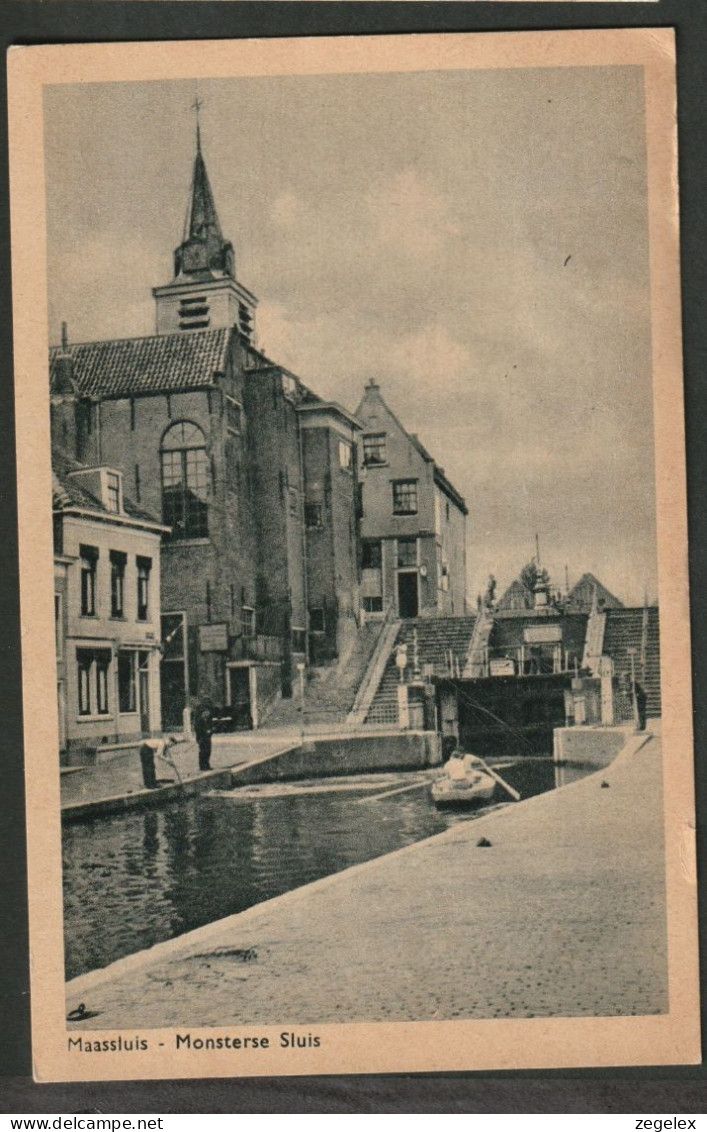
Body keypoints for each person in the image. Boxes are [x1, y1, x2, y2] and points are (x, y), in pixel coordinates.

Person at [193, 697, 215, 771]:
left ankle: (207, 764)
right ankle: (202, 765)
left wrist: (210, 731)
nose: (207, 713)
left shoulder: (208, 720)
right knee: (203, 751)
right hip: (202, 737)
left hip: (207, 737)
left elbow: (211, 727)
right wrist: (203, 734)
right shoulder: (199, 721)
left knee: (208, 750)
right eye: (206, 712)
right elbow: (198, 729)